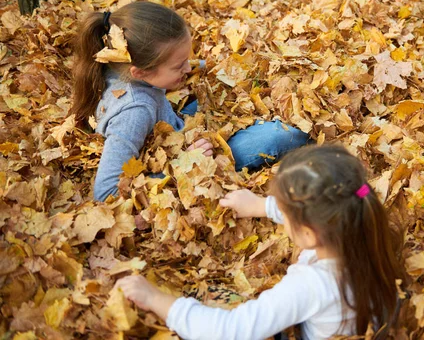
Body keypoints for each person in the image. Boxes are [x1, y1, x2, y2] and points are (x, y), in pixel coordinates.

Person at [115, 144, 403, 340]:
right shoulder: (367, 229)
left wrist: (157, 299)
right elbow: (323, 210)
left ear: (308, 234)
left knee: (211, 298)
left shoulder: (312, 285)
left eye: (285, 211)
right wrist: (261, 207)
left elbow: (231, 331)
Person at [70, 1, 310, 201]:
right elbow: (105, 193)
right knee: (284, 135)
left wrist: (204, 65)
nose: (187, 67)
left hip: (174, 130)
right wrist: (187, 162)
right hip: (184, 160)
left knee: (224, 89)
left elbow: (167, 71)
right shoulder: (134, 111)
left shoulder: (116, 66)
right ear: (140, 72)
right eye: (179, 65)